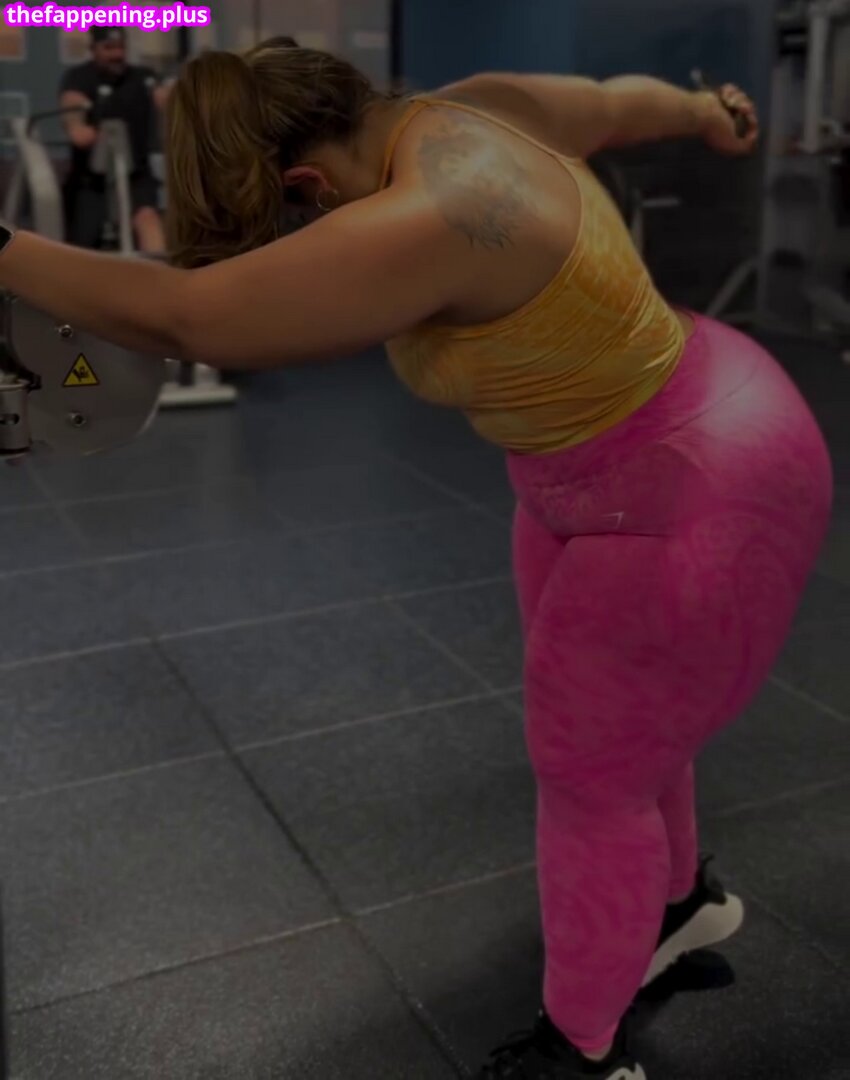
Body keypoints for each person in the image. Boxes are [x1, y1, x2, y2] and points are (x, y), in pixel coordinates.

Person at [0, 41, 834, 1080]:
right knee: (621, 733)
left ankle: (582, 1055)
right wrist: (709, 111)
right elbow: (619, 102)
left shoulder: (430, 212)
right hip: (597, 461)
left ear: (308, 183)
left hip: (701, 479)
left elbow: (186, 317)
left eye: (298, 218)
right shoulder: (475, 105)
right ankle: (674, 907)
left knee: (591, 775)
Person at [59, 26, 169, 253]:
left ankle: (159, 271)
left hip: (137, 174)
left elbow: (166, 98)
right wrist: (77, 125)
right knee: (83, 243)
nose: (116, 54)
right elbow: (73, 108)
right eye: (108, 48)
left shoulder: (143, 77)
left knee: (148, 218)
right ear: (93, 49)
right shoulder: (79, 77)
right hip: (89, 180)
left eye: (120, 47)